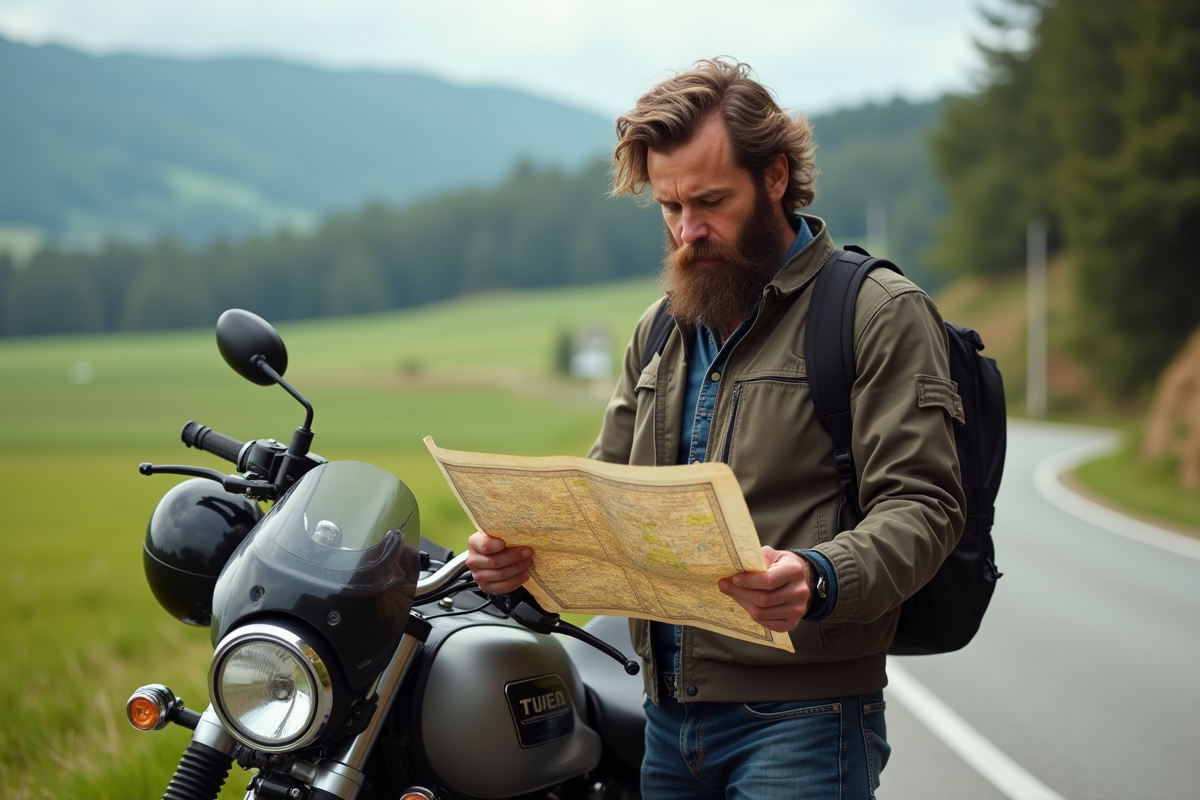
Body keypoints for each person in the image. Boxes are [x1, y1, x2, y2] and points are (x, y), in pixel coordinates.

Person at [467, 58, 965, 799]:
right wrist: (526, 560)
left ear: (775, 177)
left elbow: (925, 508)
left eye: (709, 202)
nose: (687, 231)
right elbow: (603, 499)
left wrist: (819, 576)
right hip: (667, 718)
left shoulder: (876, 313)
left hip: (806, 718)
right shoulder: (659, 329)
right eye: (669, 207)